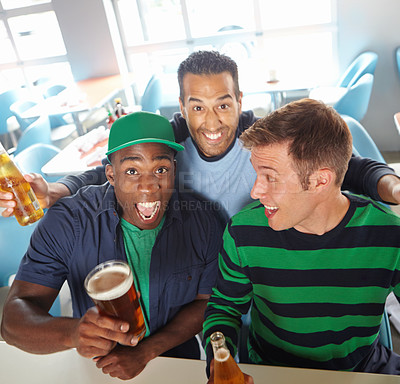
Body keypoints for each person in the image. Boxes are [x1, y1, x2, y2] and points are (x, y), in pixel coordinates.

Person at [1, 51, 400, 222]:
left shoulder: (262, 136)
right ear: (181, 105)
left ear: (240, 101)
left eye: (223, 105)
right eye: (197, 106)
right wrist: (53, 190)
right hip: (202, 280)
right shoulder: (170, 142)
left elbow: (346, 166)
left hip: (261, 266)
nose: (211, 122)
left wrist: (392, 185)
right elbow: (105, 174)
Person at [1, 111, 223, 380]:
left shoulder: (203, 221)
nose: (149, 186)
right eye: (131, 170)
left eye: (160, 169)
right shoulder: (69, 222)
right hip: (97, 367)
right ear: (110, 174)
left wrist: (147, 351)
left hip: (176, 362)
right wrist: (72, 333)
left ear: (174, 170)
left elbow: (207, 302)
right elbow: (13, 321)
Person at [202, 99, 400, 383]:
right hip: (271, 370)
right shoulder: (243, 231)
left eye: (270, 178)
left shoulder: (389, 233)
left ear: (320, 181)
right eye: (257, 174)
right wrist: (219, 361)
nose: (256, 191)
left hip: (361, 370)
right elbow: (224, 307)